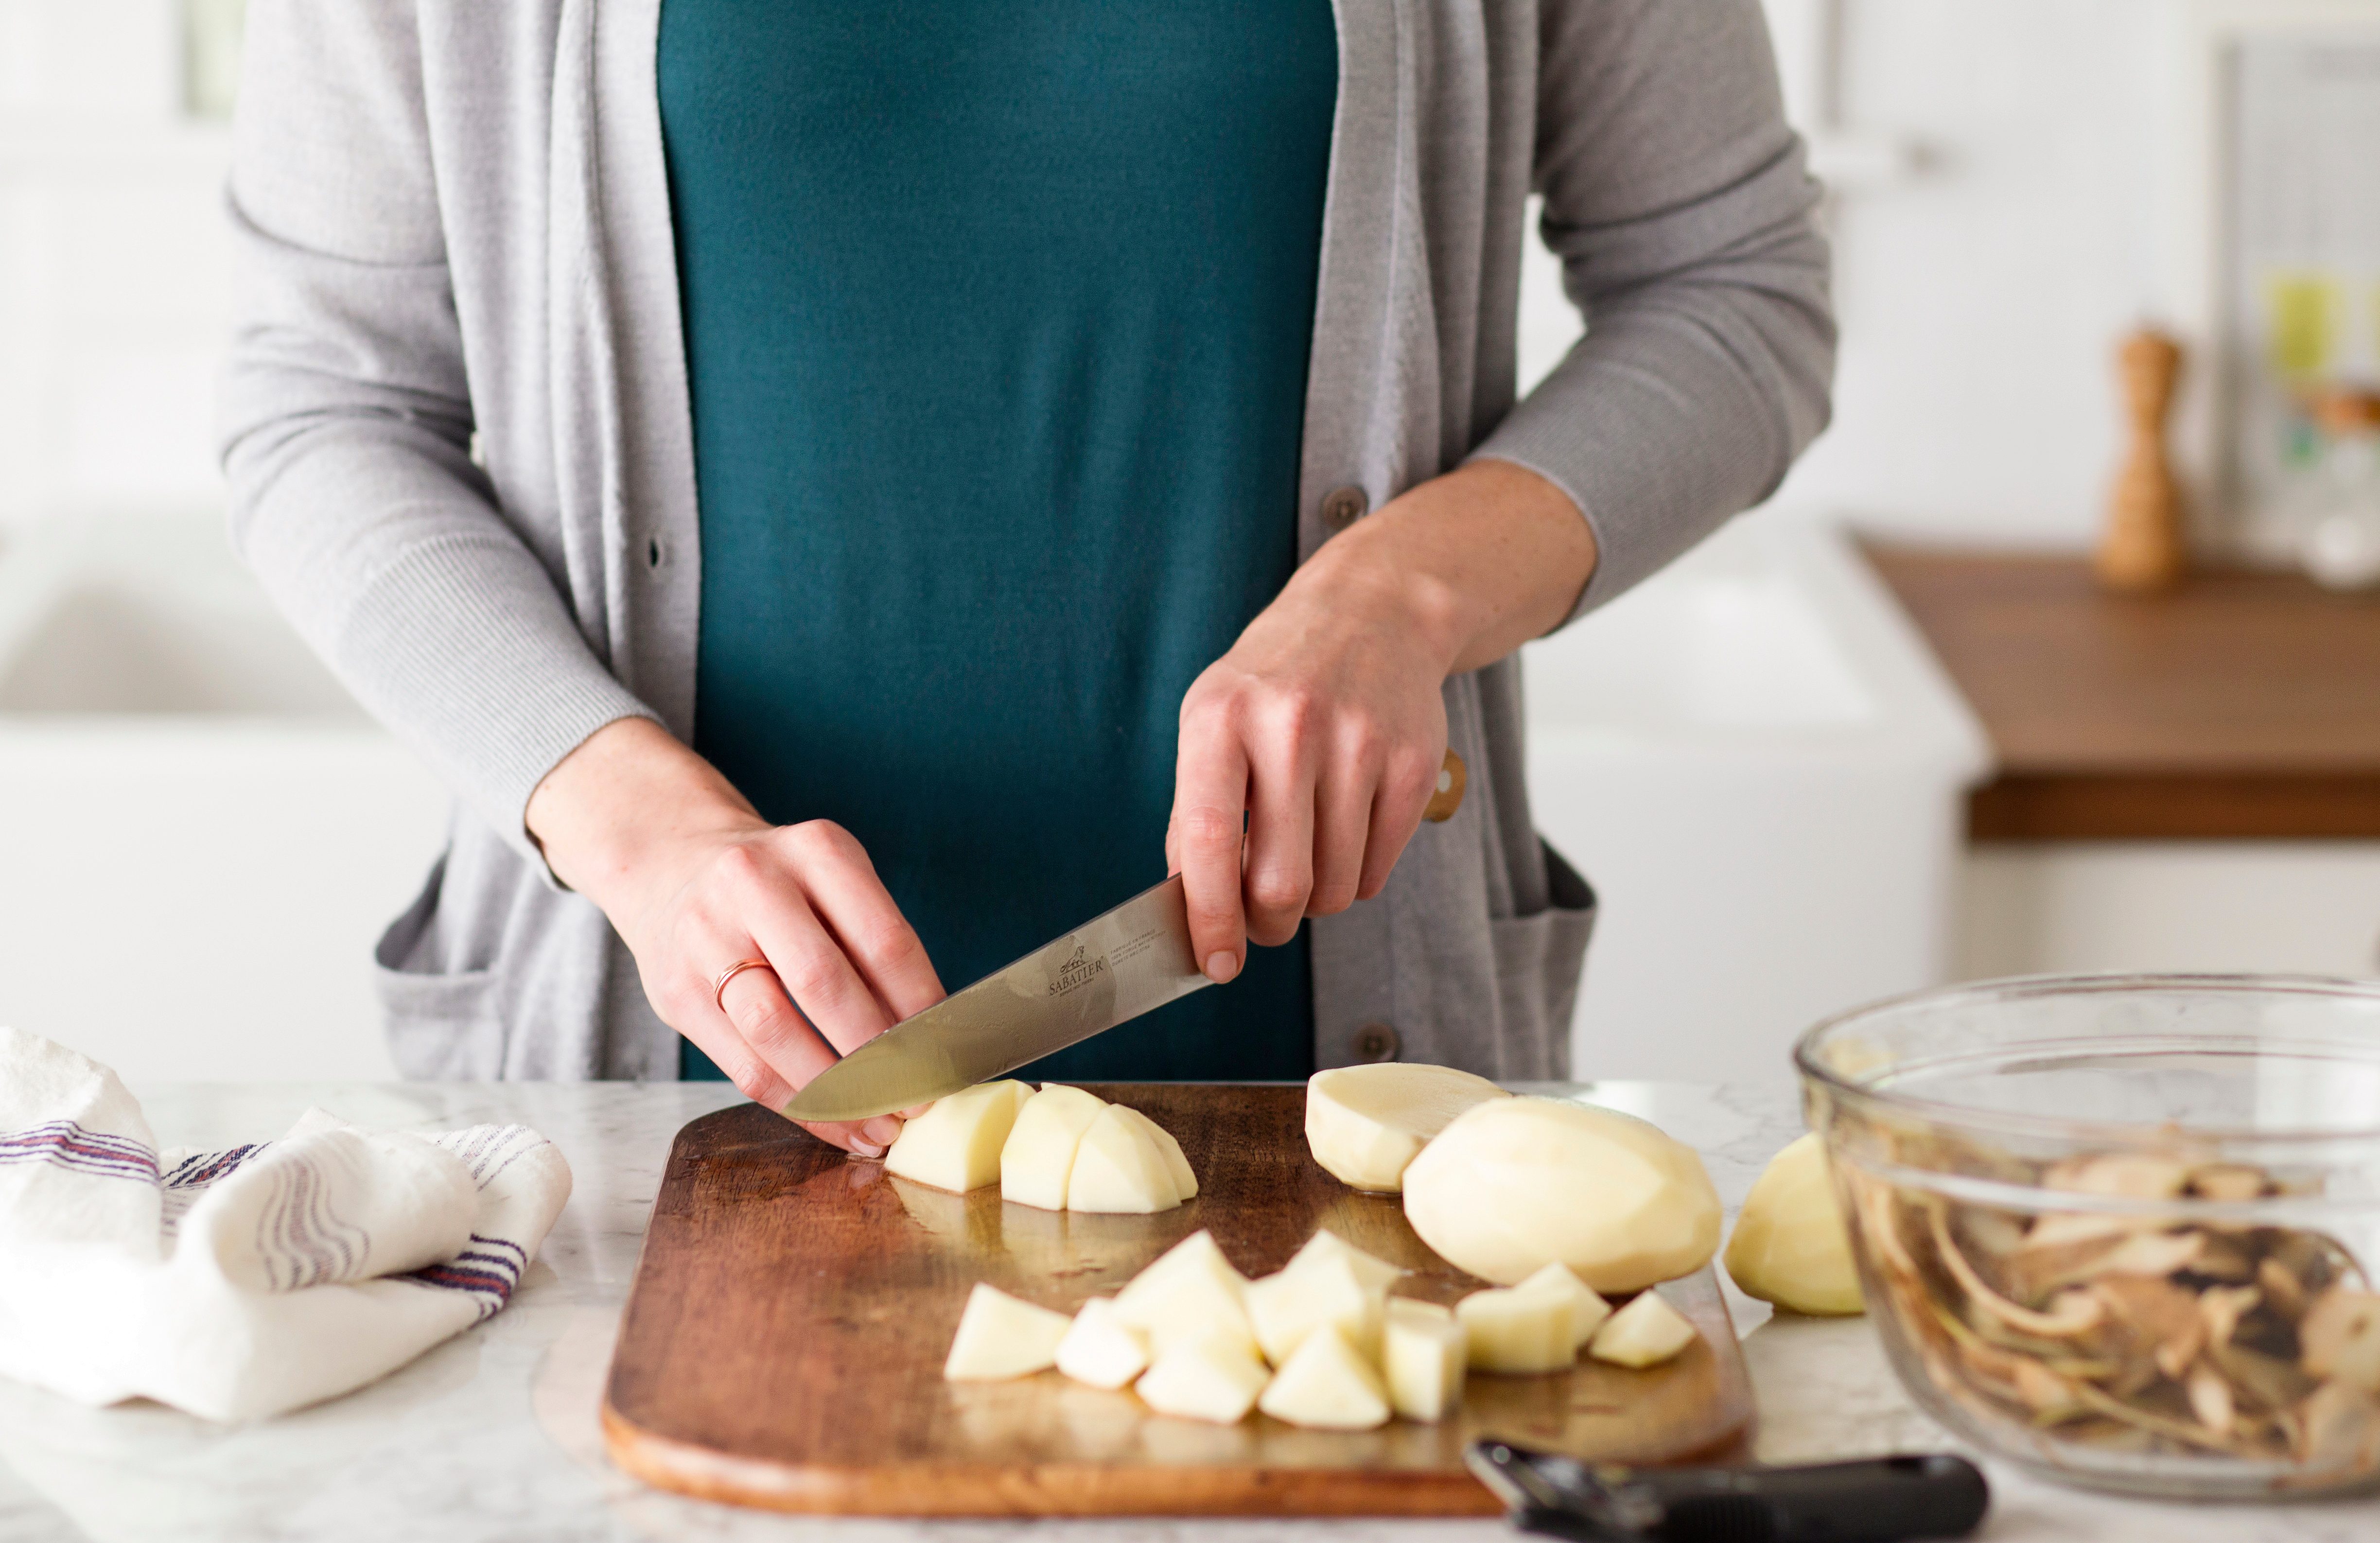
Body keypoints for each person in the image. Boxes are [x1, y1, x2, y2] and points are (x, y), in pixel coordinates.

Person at [219, 0, 1832, 1158]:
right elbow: (326, 407)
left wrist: (1407, 593)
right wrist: (629, 820)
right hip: (664, 1084)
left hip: (1325, 1093)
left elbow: (1735, 292)